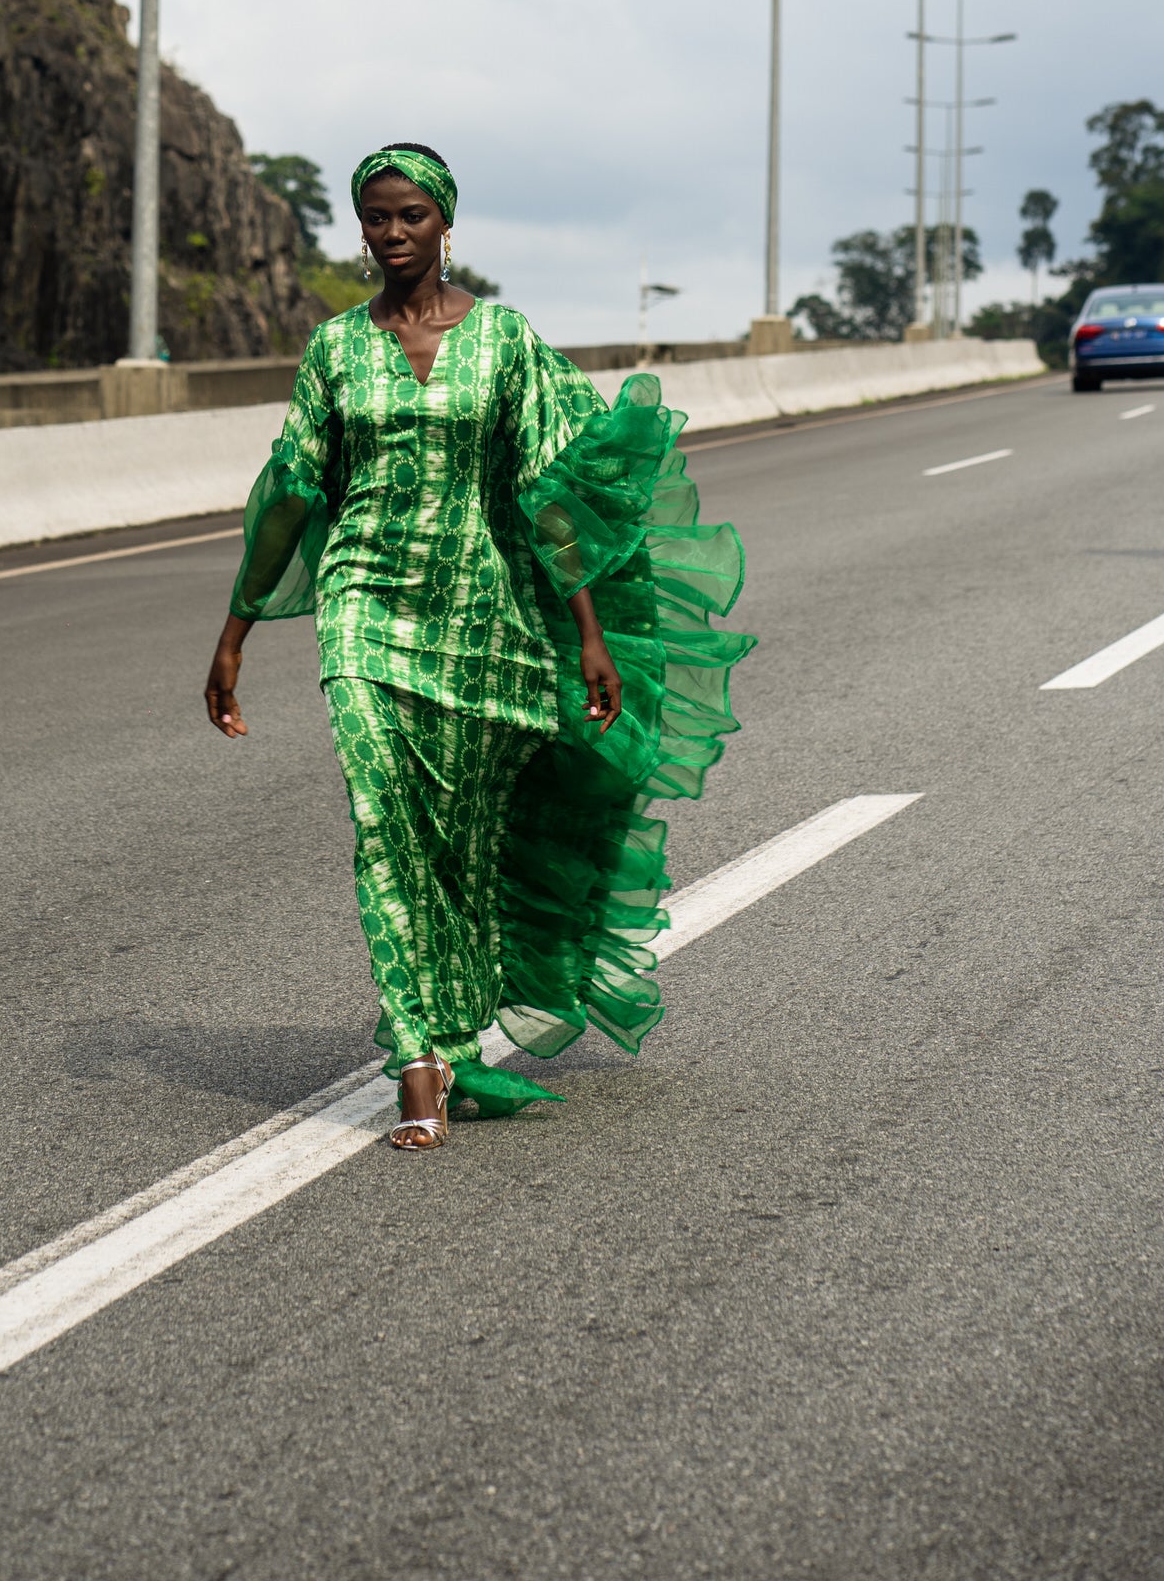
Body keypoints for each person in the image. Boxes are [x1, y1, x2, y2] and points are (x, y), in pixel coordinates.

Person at [203, 144, 754, 1151]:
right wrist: (234, 633)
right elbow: (293, 489)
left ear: (445, 222)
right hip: (364, 610)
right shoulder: (333, 349)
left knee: (457, 842)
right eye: (376, 217)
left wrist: (590, 633)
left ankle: (456, 1040)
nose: (393, 233)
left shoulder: (504, 342)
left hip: (482, 625)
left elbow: (551, 497)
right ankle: (416, 1059)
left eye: (411, 215)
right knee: (386, 827)